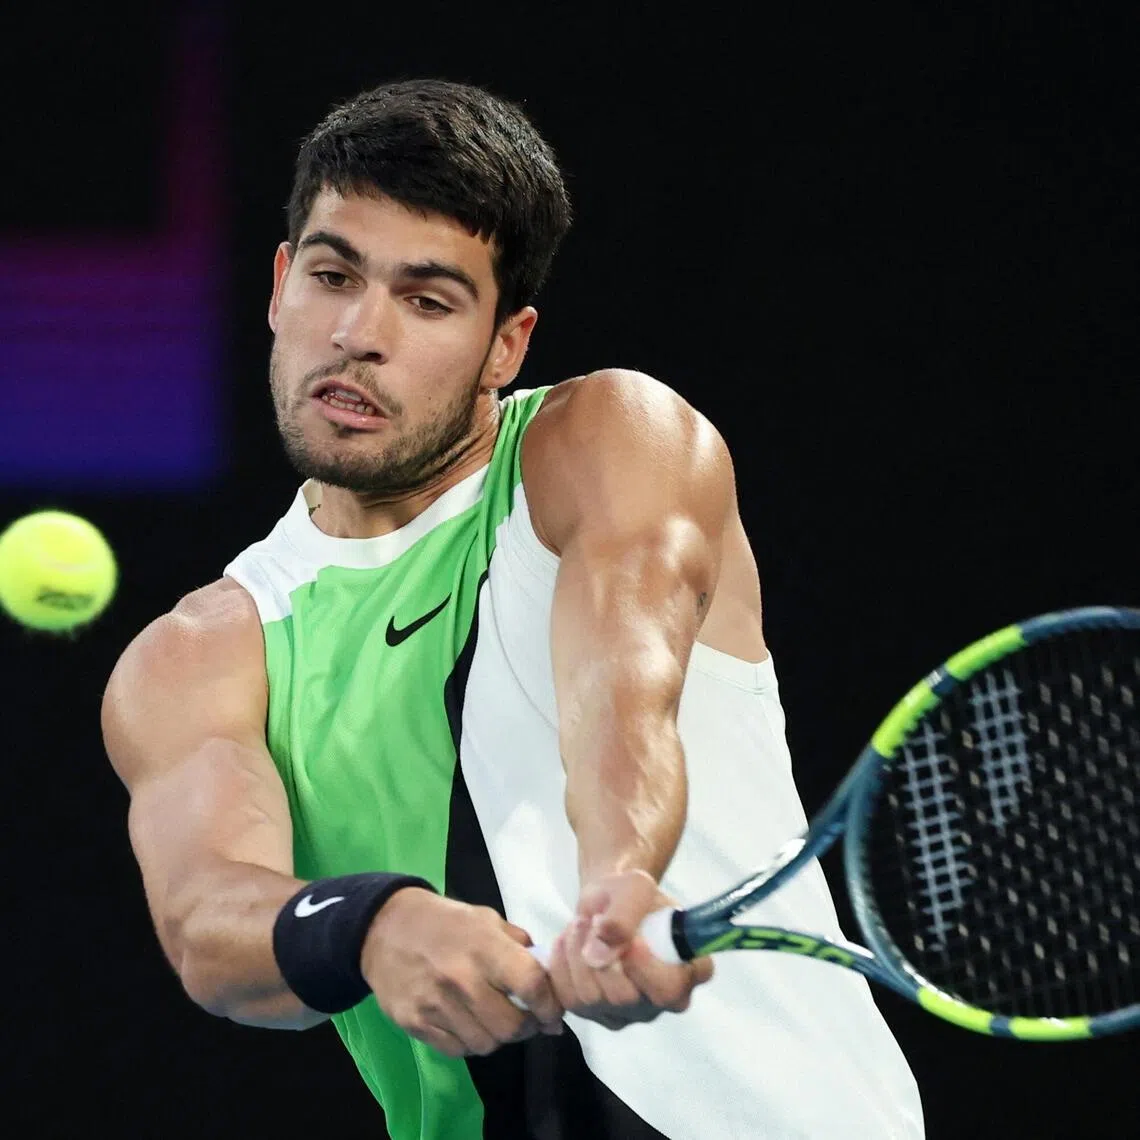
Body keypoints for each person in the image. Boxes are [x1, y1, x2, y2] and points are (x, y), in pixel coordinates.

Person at [101, 79, 924, 1139]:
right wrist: (370, 927)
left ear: (506, 344)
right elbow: (207, 918)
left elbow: (620, 685)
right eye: (332, 274)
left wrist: (623, 874)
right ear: (277, 285)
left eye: (428, 299)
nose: (358, 332)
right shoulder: (200, 654)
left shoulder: (607, 442)